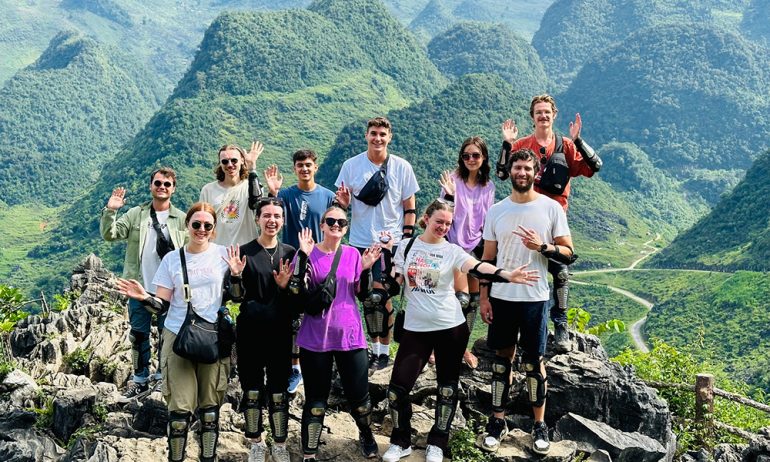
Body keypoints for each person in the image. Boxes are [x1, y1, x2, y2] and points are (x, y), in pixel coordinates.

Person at [381, 200, 538, 462]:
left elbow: (477, 267)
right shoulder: (407, 246)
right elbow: (397, 279)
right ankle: (401, 441)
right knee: (397, 389)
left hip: (450, 327)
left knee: (447, 388)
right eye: (438, 221)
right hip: (415, 328)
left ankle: (437, 443)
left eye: (448, 223)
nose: (443, 226)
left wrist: (506, 275)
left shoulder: (452, 251)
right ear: (426, 219)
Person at [116, 202, 238, 462]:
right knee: (179, 414)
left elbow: (237, 297)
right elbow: (162, 305)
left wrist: (237, 276)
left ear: (214, 229)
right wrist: (144, 297)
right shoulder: (173, 259)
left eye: (207, 225)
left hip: (213, 336)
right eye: (196, 224)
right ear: (187, 226)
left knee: (209, 409)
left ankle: (207, 457)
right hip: (177, 335)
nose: (201, 229)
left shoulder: (224, 255)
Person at [479, 149, 575, 456]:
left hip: (535, 298)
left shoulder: (550, 209)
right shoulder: (496, 211)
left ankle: (539, 425)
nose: (522, 173)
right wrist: (483, 296)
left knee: (535, 363)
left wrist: (542, 246)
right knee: (501, 362)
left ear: (536, 173)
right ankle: (497, 422)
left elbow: (568, 253)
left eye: (527, 169)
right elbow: (487, 258)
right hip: (503, 297)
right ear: (511, 170)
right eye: (517, 167)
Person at [497, 94, 601, 352]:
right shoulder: (523, 144)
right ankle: (519, 328)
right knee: (522, 268)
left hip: (555, 215)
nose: (543, 116)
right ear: (532, 117)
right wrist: (507, 144)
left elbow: (593, 167)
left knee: (560, 271)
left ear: (554, 115)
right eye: (538, 112)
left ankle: (560, 324)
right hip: (524, 214)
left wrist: (578, 140)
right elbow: (501, 173)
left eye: (547, 112)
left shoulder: (565, 145)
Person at [291, 207, 382, 461]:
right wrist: (302, 255)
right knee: (316, 401)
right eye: (331, 221)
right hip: (314, 337)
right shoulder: (309, 253)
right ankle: (309, 451)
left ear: (346, 226)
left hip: (350, 337)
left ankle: (366, 435)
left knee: (360, 398)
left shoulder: (353, 254)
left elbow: (362, 295)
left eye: (341, 222)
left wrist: (365, 268)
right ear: (322, 225)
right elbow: (297, 293)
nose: (336, 225)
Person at [334, 117, 420, 371]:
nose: (378, 138)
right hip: (360, 240)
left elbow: (409, 205)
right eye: (373, 133)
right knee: (367, 297)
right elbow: (340, 206)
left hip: (390, 242)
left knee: (383, 295)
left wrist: (404, 241)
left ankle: (385, 350)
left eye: (383, 134)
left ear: (389, 137)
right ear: (366, 135)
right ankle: (375, 349)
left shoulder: (402, 167)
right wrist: (343, 205)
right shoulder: (351, 166)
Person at [100, 167, 188, 397]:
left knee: (166, 336)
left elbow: (191, 252)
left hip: (169, 290)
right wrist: (111, 210)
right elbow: (110, 235)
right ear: (151, 186)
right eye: (158, 183)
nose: (162, 187)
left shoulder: (181, 219)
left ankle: (162, 377)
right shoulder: (136, 214)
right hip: (138, 287)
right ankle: (140, 379)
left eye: (167, 184)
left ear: (173, 189)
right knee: (139, 335)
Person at [224, 198, 295, 462]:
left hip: (280, 332)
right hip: (250, 332)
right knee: (252, 390)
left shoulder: (290, 254)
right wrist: (235, 276)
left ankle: (279, 443)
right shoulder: (243, 252)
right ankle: (255, 441)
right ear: (257, 219)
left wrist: (286, 286)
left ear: (282, 220)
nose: (272, 220)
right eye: (266, 215)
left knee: (278, 392)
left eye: (277, 216)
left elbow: (297, 299)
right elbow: (235, 297)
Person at [264, 149, 336, 394]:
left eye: (308, 165)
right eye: (299, 165)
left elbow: (337, 223)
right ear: (294, 168)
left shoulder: (327, 196)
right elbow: (269, 211)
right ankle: (295, 368)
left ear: (315, 167)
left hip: (319, 260)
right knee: (293, 314)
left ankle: (321, 358)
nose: (304, 169)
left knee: (319, 309)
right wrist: (272, 192)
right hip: (291, 259)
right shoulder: (286, 195)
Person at [438, 136, 495, 368]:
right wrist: (450, 195)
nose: (471, 159)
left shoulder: (488, 186)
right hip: (453, 245)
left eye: (476, 155)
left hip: (476, 247)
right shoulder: (452, 180)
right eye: (466, 155)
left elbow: (488, 219)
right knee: (453, 300)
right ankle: (438, 347)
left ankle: (462, 348)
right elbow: (442, 214)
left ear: (483, 158)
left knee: (471, 302)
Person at [199, 142, 265, 247]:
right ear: (220, 164)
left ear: (242, 161)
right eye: (225, 161)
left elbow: (257, 204)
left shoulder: (252, 186)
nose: (230, 165)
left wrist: (252, 168)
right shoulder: (208, 190)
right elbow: (202, 221)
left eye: (234, 160)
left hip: (247, 251)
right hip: (217, 252)